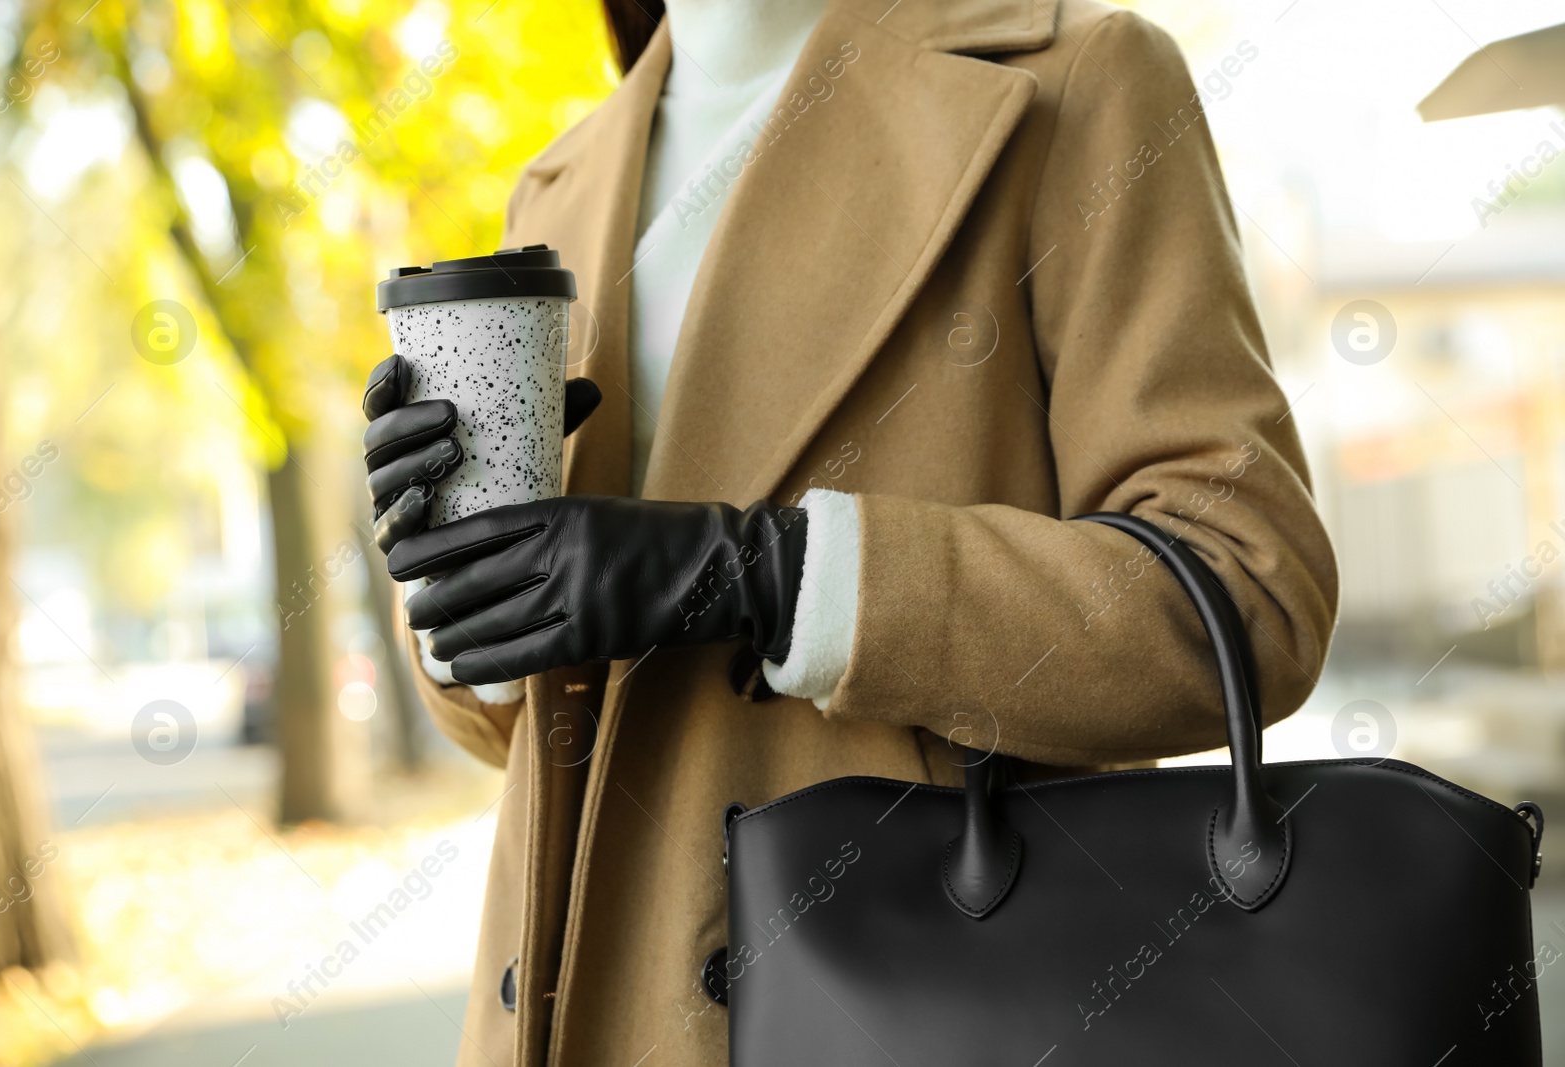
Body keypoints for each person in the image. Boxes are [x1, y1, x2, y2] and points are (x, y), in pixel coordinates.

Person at [360, 0, 1339, 1063]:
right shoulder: (561, 178)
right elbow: (513, 736)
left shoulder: (1077, 79)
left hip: (915, 999)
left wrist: (780, 579)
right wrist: (458, 578)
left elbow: (1245, 588)